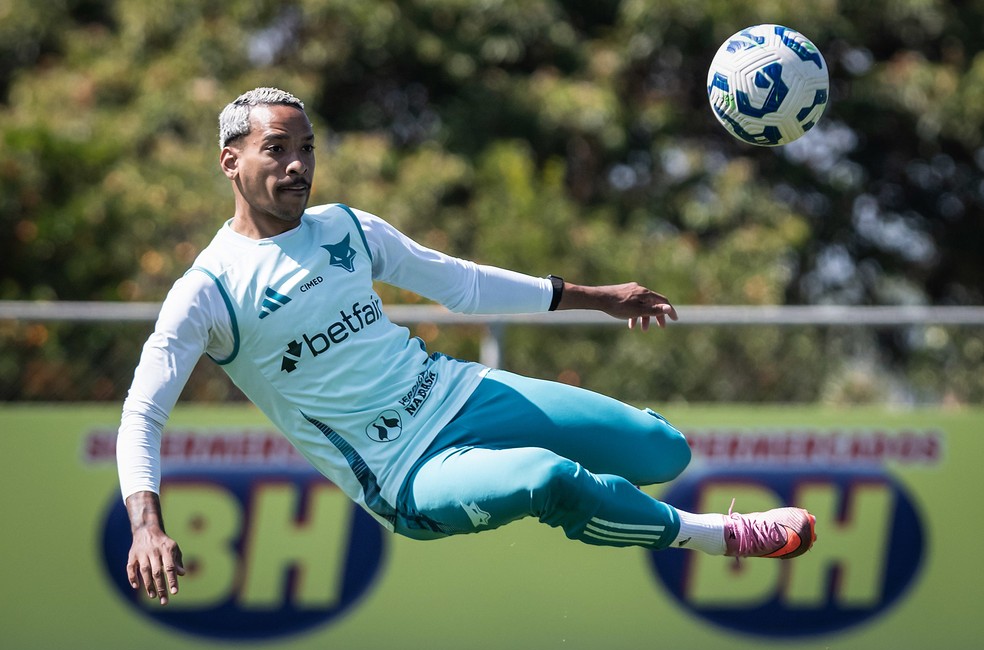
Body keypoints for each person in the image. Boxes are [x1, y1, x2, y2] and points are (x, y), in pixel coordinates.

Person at [117, 87, 817, 606]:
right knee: (549, 480)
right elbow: (142, 415)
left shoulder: (346, 229)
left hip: (457, 393)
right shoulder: (206, 292)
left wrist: (595, 296)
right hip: (404, 471)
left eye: (307, 149)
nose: (299, 166)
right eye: (278, 149)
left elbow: (461, 286)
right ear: (229, 161)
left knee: (665, 450)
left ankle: (638, 511)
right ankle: (719, 537)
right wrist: (146, 527)